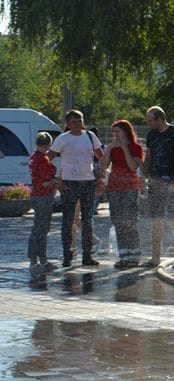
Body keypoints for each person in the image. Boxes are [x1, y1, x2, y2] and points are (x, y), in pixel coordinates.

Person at [48, 110, 104, 268]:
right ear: (68, 124)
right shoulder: (63, 139)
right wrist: (54, 178)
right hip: (69, 183)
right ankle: (68, 255)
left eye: (80, 120)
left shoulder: (90, 136)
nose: (78, 124)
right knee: (68, 221)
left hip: (88, 182)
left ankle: (87, 255)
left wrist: (101, 178)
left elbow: (102, 156)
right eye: (74, 121)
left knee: (88, 221)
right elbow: (48, 158)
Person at [142, 106, 174, 268]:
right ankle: (155, 258)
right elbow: (149, 157)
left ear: (160, 119)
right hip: (155, 182)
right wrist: (144, 176)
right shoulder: (151, 135)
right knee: (156, 221)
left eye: (150, 121)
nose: (148, 124)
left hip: (171, 182)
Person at [99, 120, 143, 269]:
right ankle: (123, 255)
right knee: (118, 222)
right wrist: (109, 151)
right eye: (114, 132)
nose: (115, 135)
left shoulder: (136, 147)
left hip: (130, 188)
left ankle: (134, 256)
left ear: (126, 131)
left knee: (130, 222)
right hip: (114, 188)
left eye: (118, 131)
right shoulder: (112, 148)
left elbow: (132, 166)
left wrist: (124, 149)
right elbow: (103, 167)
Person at [28, 132, 59, 275]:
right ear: (49, 144)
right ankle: (35, 261)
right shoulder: (42, 159)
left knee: (41, 229)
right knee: (39, 230)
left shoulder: (34, 157)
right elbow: (45, 183)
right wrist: (58, 181)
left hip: (37, 196)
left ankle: (42, 259)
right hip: (43, 197)